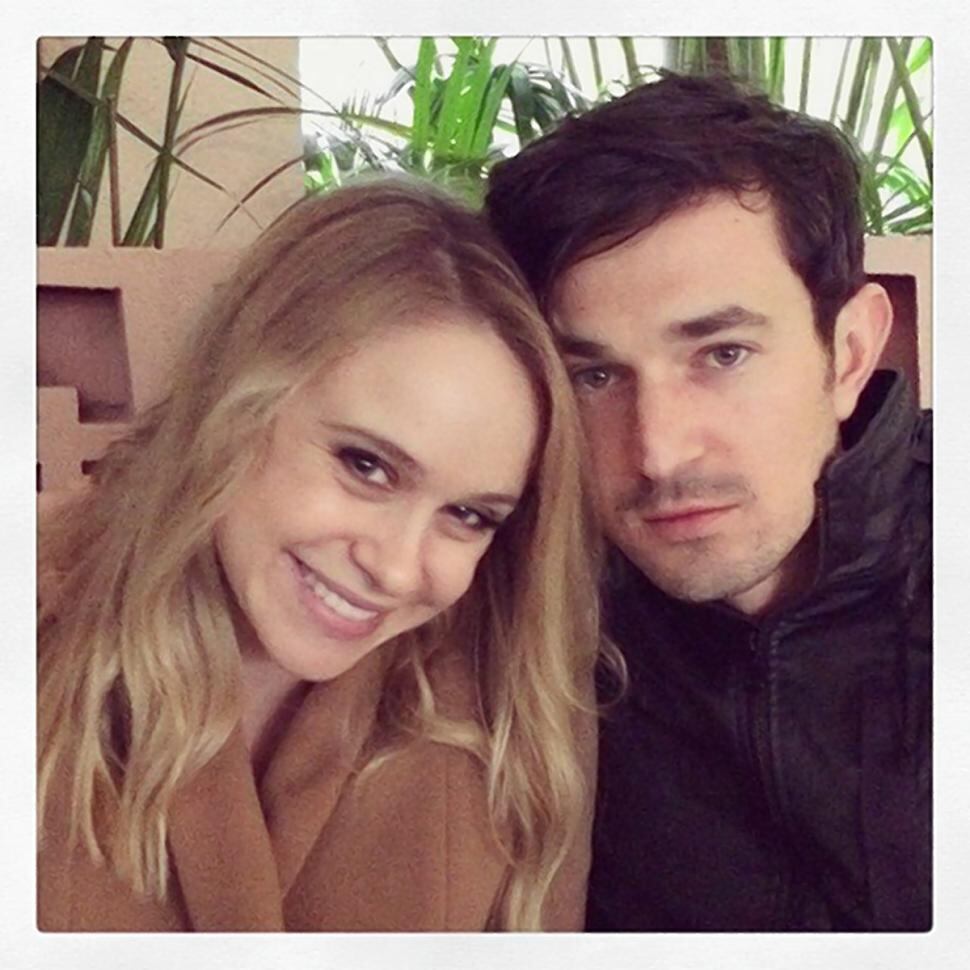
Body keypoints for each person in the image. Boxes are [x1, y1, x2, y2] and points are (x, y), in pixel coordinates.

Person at [37, 177, 602, 932]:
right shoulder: (43, 626)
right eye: (367, 466)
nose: (397, 569)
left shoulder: (512, 691)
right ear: (236, 401)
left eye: (468, 515)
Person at [485, 72, 931, 931]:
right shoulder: (524, 621)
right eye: (595, 376)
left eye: (722, 354)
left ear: (847, 354)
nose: (657, 451)